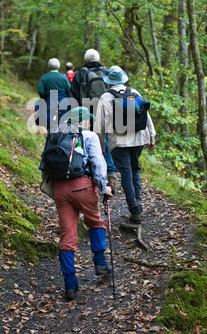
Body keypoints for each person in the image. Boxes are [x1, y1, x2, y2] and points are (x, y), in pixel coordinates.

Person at [53, 106, 112, 301]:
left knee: (67, 237)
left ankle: (70, 285)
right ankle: (100, 263)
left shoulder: (57, 135)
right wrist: (105, 187)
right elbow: (97, 162)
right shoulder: (89, 136)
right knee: (95, 222)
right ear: (85, 121)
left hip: (60, 190)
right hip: (83, 187)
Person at [95, 65, 156, 225]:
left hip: (118, 142)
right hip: (137, 139)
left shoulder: (105, 97)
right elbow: (147, 116)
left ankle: (135, 211)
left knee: (126, 173)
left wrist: (100, 146)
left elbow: (100, 126)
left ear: (109, 81)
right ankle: (138, 200)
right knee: (135, 168)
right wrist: (151, 137)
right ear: (123, 79)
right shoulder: (134, 92)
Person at [70, 49, 118, 193]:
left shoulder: (80, 74)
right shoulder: (107, 72)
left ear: (85, 60)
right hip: (105, 112)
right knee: (106, 141)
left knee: (85, 140)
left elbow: (72, 97)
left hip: (86, 113)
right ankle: (111, 175)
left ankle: (84, 172)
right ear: (99, 58)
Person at [37, 58, 71, 130]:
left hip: (49, 100)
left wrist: (44, 98)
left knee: (50, 120)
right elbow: (68, 90)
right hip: (63, 101)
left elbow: (41, 91)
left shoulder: (44, 77)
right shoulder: (63, 78)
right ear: (58, 67)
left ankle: (50, 137)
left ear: (48, 67)